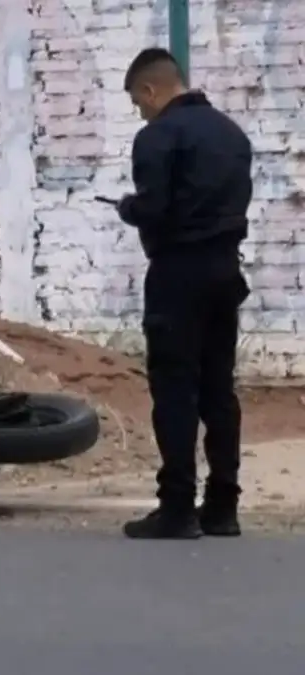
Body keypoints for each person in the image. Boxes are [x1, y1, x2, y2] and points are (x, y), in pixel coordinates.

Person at [116, 48, 253, 540]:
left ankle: (177, 508)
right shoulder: (232, 134)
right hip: (225, 271)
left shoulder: (157, 136)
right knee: (219, 390)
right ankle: (223, 506)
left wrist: (128, 208)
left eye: (138, 102)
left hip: (178, 275)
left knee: (175, 389)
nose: (140, 112)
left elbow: (155, 208)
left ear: (150, 90)